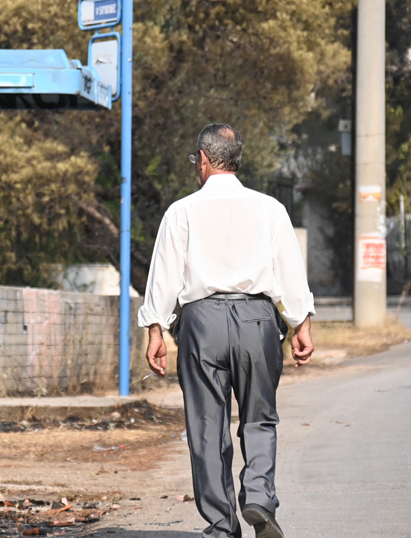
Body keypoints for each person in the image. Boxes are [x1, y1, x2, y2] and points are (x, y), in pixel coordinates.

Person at [138, 124, 315, 538]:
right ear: (237, 159)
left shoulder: (181, 211)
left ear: (202, 159)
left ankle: (221, 525)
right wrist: (301, 323)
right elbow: (290, 270)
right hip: (257, 320)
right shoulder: (270, 208)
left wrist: (156, 331)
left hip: (202, 323)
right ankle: (258, 496)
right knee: (259, 417)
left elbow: (163, 277)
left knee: (205, 425)